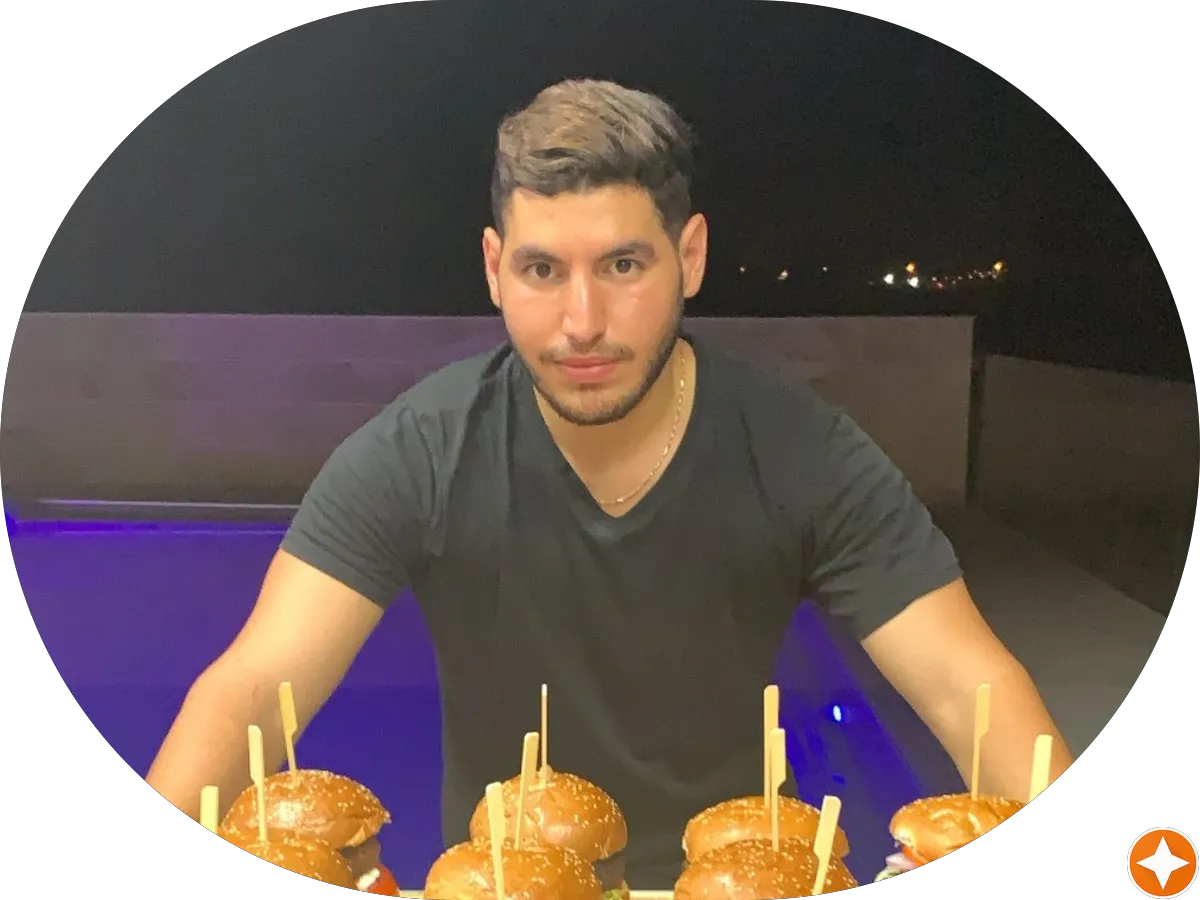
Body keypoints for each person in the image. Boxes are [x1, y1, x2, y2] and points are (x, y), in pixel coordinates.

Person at [146, 78, 1073, 887]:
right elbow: (255, 684)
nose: (582, 321)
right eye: (542, 270)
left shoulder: (807, 452)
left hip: (743, 881)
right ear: (494, 270)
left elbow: (967, 684)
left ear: (690, 257)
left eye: (623, 265)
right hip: (508, 884)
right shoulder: (418, 451)